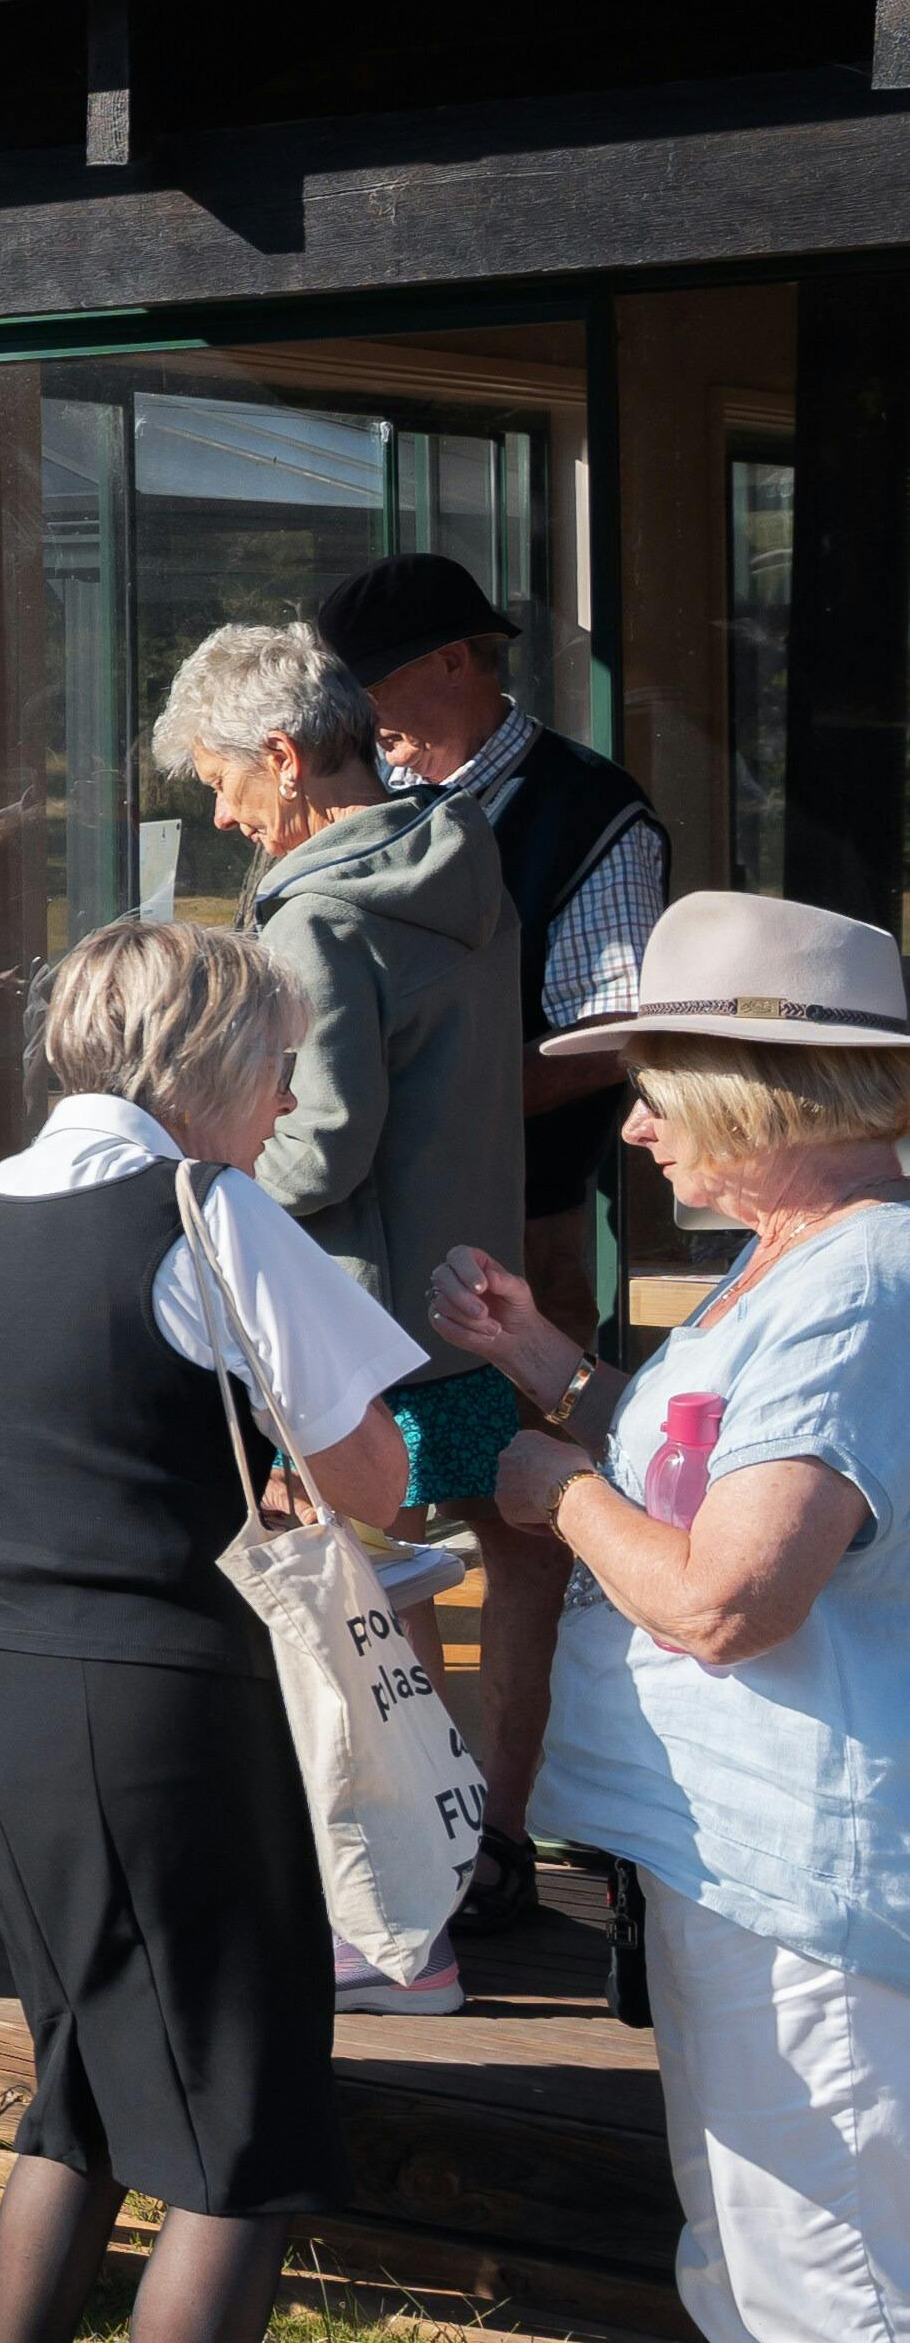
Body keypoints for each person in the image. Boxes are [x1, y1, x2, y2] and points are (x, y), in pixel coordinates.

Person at [0, 919, 420, 2343]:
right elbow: (371, 1471)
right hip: (151, 1688)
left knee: (82, 2083)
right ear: (189, 1059)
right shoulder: (207, 1214)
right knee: (236, 2126)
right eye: (271, 1057)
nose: (282, 1094)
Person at [420, 893, 910, 2343]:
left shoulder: (858, 1278)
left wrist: (543, 1480)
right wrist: (551, 1371)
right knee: (751, 2251)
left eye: (651, 1081)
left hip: (809, 1863)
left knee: (846, 2286)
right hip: (733, 1849)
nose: (628, 1123)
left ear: (758, 1080)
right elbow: (709, 1479)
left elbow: (722, 1588)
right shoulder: (785, 1261)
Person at [157, 614, 518, 2018]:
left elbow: (312, 1147)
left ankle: (393, 1927)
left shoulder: (316, 910)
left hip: (348, 1321)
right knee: (396, 1607)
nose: (215, 810)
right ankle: (428, 1892)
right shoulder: (459, 861)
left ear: (284, 757)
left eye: (219, 779)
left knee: (349, 1626)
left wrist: (184, 1188)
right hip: (453, 1304)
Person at [316, 548, 674, 1941]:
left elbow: (613, 1034)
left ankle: (502, 1835)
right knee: (352, 1512)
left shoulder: (585, 810)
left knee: (516, 1522)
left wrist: (431, 1097)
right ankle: (397, 1824)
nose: (369, 716)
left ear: (460, 659)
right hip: (359, 1222)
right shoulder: (360, 796)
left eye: (383, 685)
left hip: (510, 1235)